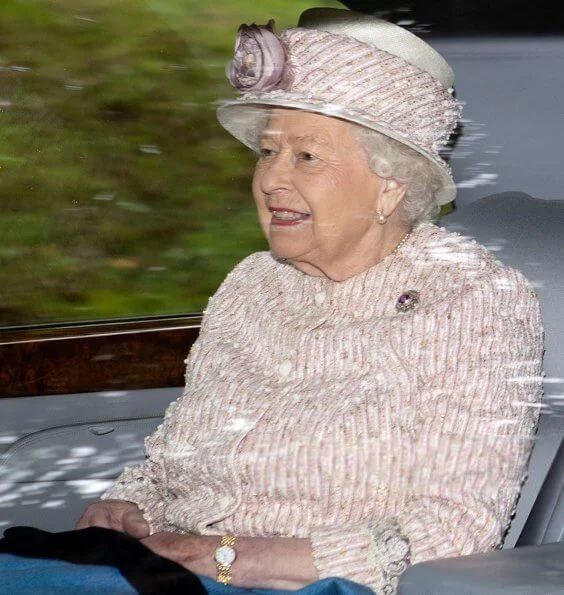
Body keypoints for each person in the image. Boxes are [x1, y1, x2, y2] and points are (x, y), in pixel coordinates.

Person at [76, 8, 543, 594]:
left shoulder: (473, 303)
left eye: (307, 157)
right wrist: (129, 505)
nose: (271, 180)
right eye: (267, 153)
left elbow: (456, 531)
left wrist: (227, 557)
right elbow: (177, 460)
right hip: (178, 569)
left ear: (390, 184)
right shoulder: (251, 285)